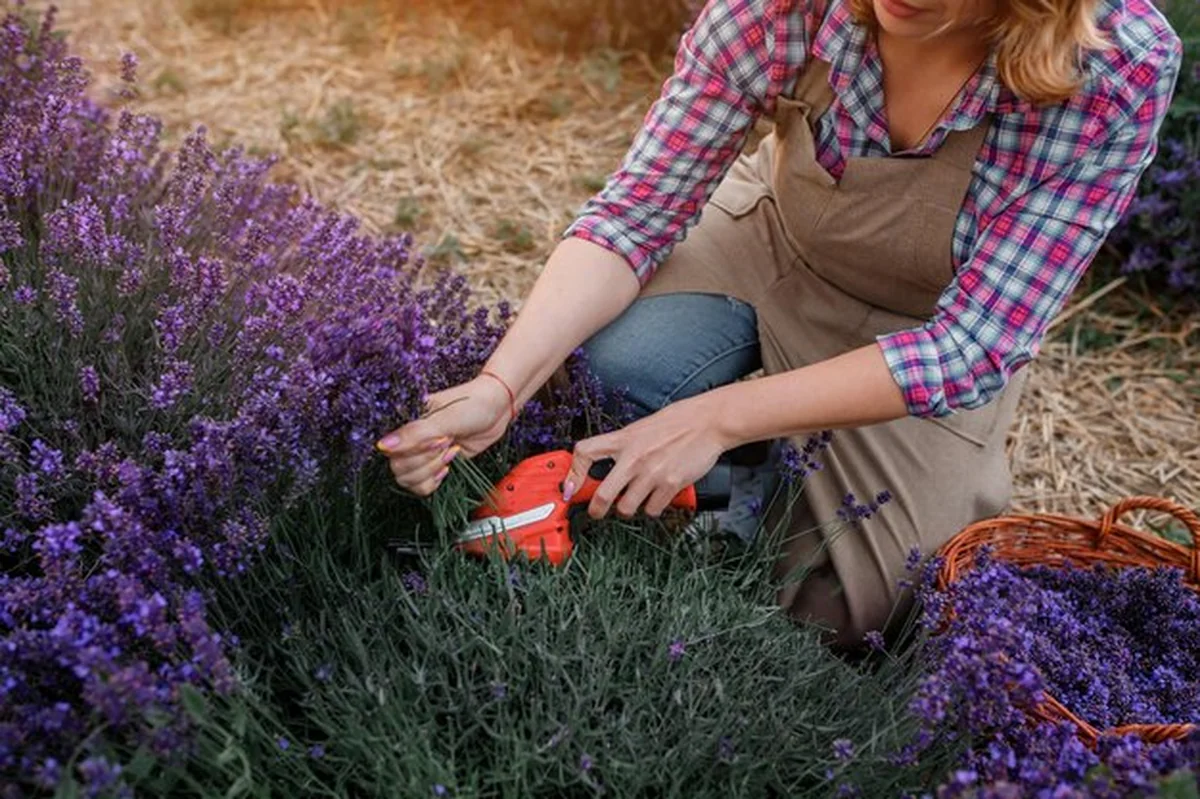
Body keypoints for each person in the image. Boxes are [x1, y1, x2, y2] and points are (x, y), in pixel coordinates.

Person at [377, 0, 1182, 648]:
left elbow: (973, 346)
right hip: (773, 242)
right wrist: (502, 385)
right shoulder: (777, 10)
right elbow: (632, 216)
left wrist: (715, 417)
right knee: (614, 370)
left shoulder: (1118, 66)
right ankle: (724, 477)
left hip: (920, 330)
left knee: (876, 601)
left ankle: (738, 476)